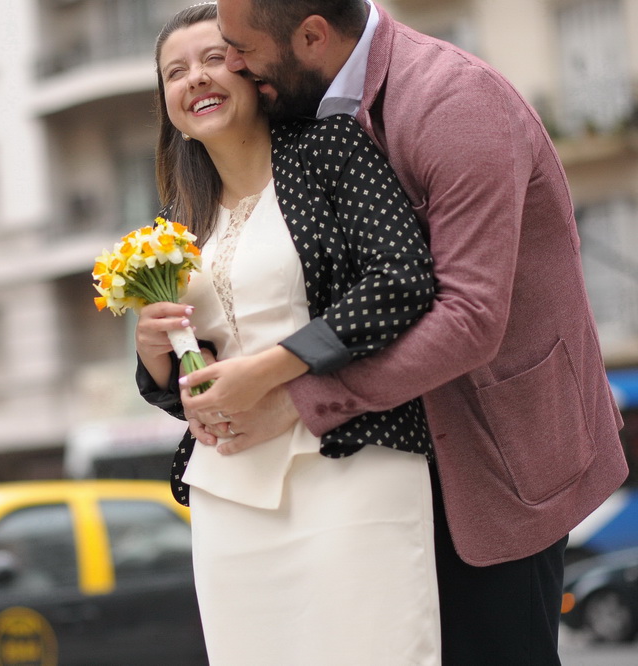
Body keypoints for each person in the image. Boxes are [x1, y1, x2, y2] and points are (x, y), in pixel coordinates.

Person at [177, 1, 630, 663]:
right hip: (377, 467)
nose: (236, 67)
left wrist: (297, 401)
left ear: (311, 35)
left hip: (494, 447)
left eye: (242, 50)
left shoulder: (456, 103)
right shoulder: (297, 102)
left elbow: (470, 320)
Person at [136, 3, 441, 663]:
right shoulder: (176, 222)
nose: (195, 79)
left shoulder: (330, 148)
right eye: (175, 72)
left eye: (214, 59)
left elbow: (402, 279)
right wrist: (156, 360)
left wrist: (274, 367)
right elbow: (196, 383)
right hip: (230, 490)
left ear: (251, 70)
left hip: (352, 460)